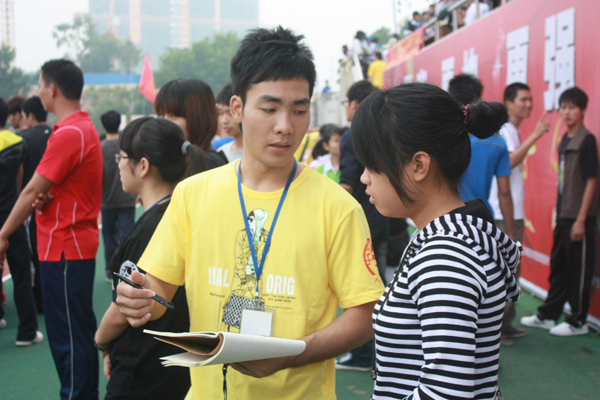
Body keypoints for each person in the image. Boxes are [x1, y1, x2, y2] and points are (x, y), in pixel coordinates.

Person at [115, 26, 383, 400]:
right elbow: (159, 289)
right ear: (238, 108)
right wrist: (140, 300)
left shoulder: (337, 207)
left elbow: (365, 314)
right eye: (269, 109)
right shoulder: (193, 194)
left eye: (299, 110)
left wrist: (293, 354)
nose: (285, 126)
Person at [353, 82, 521, 400]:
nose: (364, 177)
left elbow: (447, 393)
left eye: (373, 164)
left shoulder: (445, 257)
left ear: (419, 165)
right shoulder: (449, 241)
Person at [0, 59, 102, 400]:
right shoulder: (79, 129)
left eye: (40, 85)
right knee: (74, 332)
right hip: (67, 246)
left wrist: (3, 234)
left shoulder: (71, 132)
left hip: (65, 247)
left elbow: (31, 189)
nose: (39, 91)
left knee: (68, 337)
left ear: (52, 89)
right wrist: (46, 198)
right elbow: (50, 190)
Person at [95, 117, 202, 400]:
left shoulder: (151, 229)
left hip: (142, 369)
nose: (118, 164)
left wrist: (100, 341)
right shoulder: (184, 214)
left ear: (143, 166)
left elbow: (122, 311)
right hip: (176, 366)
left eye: (121, 157)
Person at [521, 87, 598, 337]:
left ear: (582, 110)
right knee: (559, 268)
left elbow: (591, 181)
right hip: (564, 215)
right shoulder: (565, 139)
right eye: (563, 107)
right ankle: (548, 315)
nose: (566, 112)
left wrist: (581, 220)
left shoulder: (587, 141)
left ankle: (578, 321)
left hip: (579, 218)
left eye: (571, 107)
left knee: (578, 272)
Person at [489, 82, 549, 344]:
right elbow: (509, 162)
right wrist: (535, 136)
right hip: (505, 215)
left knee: (510, 273)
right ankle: (497, 331)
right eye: (523, 99)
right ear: (509, 103)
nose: (529, 104)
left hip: (509, 213)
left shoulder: (509, 130)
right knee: (505, 273)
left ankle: (505, 325)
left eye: (530, 99)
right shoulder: (506, 130)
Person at [337, 80, 389, 371]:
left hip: (360, 223)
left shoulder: (352, 135)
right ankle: (380, 352)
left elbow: (347, 183)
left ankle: (362, 354)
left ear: (354, 104)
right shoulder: (384, 131)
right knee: (379, 289)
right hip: (384, 218)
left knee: (360, 291)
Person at [449, 74, 515, 239]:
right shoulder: (498, 143)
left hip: (447, 219)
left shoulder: (444, 137)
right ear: (477, 99)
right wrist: (511, 234)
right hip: (482, 221)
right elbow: (504, 192)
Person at [0, 96, 41, 345]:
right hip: (10, 216)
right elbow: (19, 180)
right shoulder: (17, 142)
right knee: (21, 272)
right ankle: (27, 331)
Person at [20, 95, 52, 313]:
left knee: (34, 254)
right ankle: (50, 297)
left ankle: (38, 299)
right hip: (55, 201)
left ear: (30, 115)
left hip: (32, 204)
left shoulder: (23, 139)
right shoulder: (58, 134)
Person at [154, 78, 227, 170]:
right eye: (161, 115)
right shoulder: (178, 159)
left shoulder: (207, 163)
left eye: (174, 116)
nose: (164, 122)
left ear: (199, 118)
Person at [100, 111, 137, 281]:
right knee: (127, 237)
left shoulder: (100, 148)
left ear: (103, 126)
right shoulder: (126, 146)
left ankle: (110, 272)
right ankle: (127, 270)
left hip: (107, 200)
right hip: (127, 199)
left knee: (109, 238)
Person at [216, 83, 244, 162]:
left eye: (229, 113)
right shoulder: (221, 153)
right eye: (220, 113)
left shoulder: (259, 154)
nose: (224, 121)